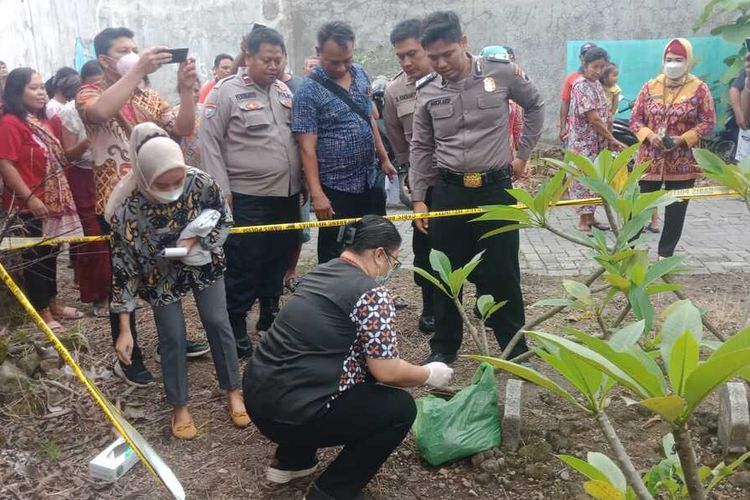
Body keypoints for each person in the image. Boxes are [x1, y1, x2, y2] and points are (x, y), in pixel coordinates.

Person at [243, 215, 454, 500]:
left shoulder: (320, 272)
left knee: (329, 368)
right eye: (393, 260)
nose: (391, 268)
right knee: (399, 410)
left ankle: (293, 460)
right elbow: (388, 371)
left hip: (259, 400)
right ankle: (332, 491)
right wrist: (429, 374)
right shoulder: (371, 294)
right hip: (295, 415)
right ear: (379, 253)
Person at [410, 11, 544, 364]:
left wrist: (523, 155)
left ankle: (515, 348)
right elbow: (421, 147)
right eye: (433, 57)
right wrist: (420, 198)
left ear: (464, 44)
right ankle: (444, 348)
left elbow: (535, 105)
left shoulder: (500, 72)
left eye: (447, 54)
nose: (441, 63)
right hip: (449, 190)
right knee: (446, 271)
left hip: (495, 189)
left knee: (502, 270)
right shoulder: (426, 90)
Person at [77, 26, 204, 387]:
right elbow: (100, 112)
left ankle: (171, 341)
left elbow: (183, 127)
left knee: (164, 270)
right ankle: (128, 357)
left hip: (155, 200)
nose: (135, 54)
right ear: (105, 60)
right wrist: (135, 71)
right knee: (123, 279)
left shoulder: (148, 94)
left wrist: (184, 91)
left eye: (136, 49)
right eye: (125, 51)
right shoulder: (90, 91)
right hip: (115, 204)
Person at [107, 123, 249, 439]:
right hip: (159, 276)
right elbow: (124, 270)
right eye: (163, 183)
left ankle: (233, 391)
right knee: (172, 335)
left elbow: (224, 218)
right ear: (144, 178)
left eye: (178, 178)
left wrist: (202, 242)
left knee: (217, 322)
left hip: (203, 264)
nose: (173, 188)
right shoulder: (128, 211)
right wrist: (125, 329)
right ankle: (179, 405)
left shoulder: (200, 183)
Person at [200, 26, 302, 358]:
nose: (273, 66)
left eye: (278, 59)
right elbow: (210, 145)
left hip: (285, 195)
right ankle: (236, 325)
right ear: (249, 57)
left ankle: (270, 318)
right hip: (247, 197)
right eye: (266, 60)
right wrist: (222, 193)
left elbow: (294, 142)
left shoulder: (285, 92)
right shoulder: (225, 93)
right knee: (244, 263)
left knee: (280, 256)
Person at [293, 21, 397, 264]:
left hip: (369, 179)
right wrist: (317, 194)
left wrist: (383, 158)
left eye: (346, 60)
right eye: (333, 62)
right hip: (336, 187)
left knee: (373, 242)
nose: (341, 67)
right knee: (337, 250)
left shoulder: (360, 73)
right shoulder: (307, 92)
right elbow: (307, 148)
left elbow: (369, 119)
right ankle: (336, 299)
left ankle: (374, 295)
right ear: (318, 53)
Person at [0, 68, 83, 333]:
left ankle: (53, 303)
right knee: (36, 259)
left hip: (52, 202)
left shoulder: (39, 120)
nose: (41, 92)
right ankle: (43, 312)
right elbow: (6, 164)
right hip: (28, 206)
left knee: (51, 254)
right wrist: (31, 198)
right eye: (33, 88)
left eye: (41, 87)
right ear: (16, 91)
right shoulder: (10, 123)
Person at [629, 38, 716, 259]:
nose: (673, 64)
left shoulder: (699, 89)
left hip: (683, 161)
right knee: (638, 209)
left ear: (687, 61)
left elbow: (708, 121)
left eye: (678, 60)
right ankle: (629, 254)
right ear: (663, 61)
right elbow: (635, 121)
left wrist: (684, 138)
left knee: (676, 211)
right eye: (669, 60)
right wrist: (649, 136)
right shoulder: (650, 86)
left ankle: (665, 256)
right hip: (650, 159)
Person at [383, 18, 436, 334]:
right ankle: (431, 306)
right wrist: (409, 174)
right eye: (400, 56)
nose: (407, 62)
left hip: (457, 179)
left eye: (413, 54)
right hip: (423, 184)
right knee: (426, 248)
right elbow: (398, 143)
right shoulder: (394, 91)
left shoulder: (450, 80)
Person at [56, 61, 111, 316]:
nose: (99, 88)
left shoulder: (115, 102)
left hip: (112, 174)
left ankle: (124, 288)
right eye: (95, 83)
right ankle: (99, 295)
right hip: (84, 176)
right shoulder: (69, 112)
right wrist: (88, 139)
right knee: (93, 236)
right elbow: (68, 154)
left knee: (117, 232)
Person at [568, 47, 625, 233]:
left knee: (596, 179)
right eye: (595, 67)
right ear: (585, 65)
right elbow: (593, 118)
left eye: (602, 67)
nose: (599, 71)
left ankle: (591, 218)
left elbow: (605, 114)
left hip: (597, 143)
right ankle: (583, 221)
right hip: (583, 144)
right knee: (584, 180)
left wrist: (608, 137)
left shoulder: (596, 85)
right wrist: (611, 138)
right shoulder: (581, 86)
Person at [480, 45, 524, 158]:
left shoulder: (513, 92)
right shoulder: (474, 91)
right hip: (480, 154)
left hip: (506, 153)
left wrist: (521, 156)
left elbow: (517, 126)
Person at [560, 42, 597, 144]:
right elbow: (565, 103)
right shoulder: (571, 78)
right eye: (586, 55)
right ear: (581, 57)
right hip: (575, 131)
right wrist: (563, 127)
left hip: (596, 131)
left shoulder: (600, 80)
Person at [173, 78, 203, 168]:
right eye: (189, 90)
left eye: (196, 90)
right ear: (180, 92)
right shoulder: (173, 114)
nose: (193, 94)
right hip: (183, 165)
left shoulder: (206, 111)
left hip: (204, 164)